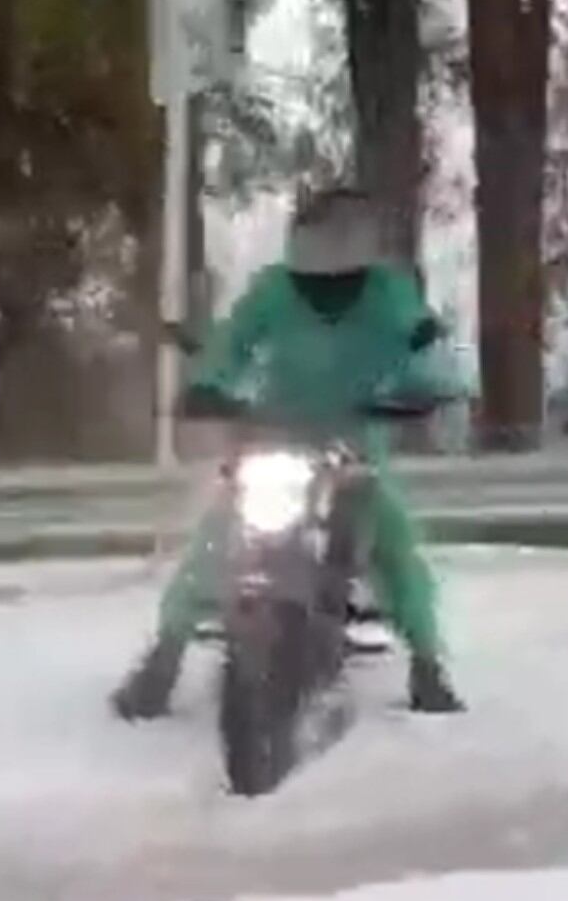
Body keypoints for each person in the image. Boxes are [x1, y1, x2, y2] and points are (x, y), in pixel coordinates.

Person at [112, 188, 467, 719]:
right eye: (313, 279)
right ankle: (163, 658)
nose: (325, 290)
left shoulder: (391, 295)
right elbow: (230, 345)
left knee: (393, 542)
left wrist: (431, 386)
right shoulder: (272, 290)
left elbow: (428, 346)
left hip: (354, 441)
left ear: (364, 266)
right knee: (216, 535)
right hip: (274, 433)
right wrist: (208, 386)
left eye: (341, 280)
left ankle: (428, 665)